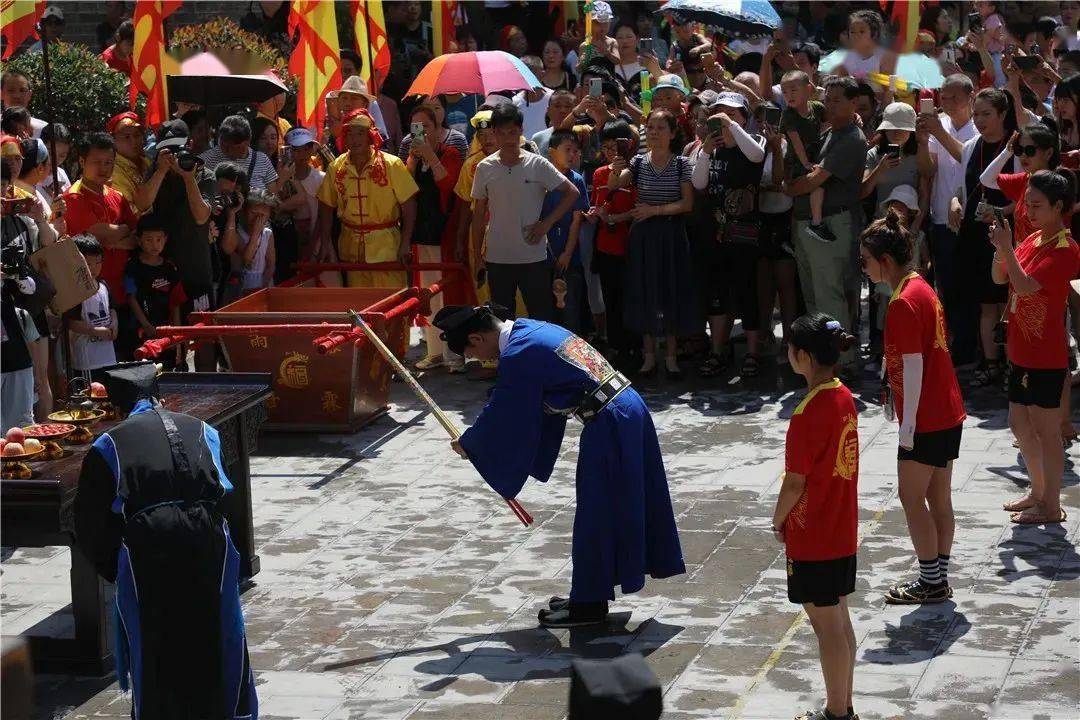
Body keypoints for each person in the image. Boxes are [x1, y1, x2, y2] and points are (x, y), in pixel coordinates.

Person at [436, 303, 685, 627]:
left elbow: (504, 410)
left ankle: (588, 607)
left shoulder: (518, 354)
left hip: (610, 422)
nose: (484, 361)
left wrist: (470, 443)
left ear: (476, 338)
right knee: (606, 508)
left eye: (474, 352)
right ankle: (589, 594)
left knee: (596, 513)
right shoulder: (531, 330)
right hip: (626, 409)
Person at [73, 362, 258, 719]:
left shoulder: (108, 443)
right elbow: (224, 491)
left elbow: (90, 520)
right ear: (159, 398)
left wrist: (117, 567)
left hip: (149, 544)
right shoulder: (204, 429)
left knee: (156, 639)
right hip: (208, 538)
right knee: (217, 628)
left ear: (115, 407)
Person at [860, 212, 965, 604]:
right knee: (939, 498)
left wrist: (908, 431)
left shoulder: (903, 302)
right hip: (947, 411)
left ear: (884, 261)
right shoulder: (920, 286)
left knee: (911, 497)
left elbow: (916, 366)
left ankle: (931, 581)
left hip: (926, 418)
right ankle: (939, 576)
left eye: (865, 262)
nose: (864, 269)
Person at [771, 312, 859, 720]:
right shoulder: (843, 396)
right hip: (840, 528)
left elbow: (794, 483)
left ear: (803, 356)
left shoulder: (806, 413)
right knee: (838, 620)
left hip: (816, 534)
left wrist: (777, 520)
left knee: (828, 629)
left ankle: (837, 712)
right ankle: (844, 705)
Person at [991, 171, 1080, 525]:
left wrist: (1008, 248)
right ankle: (1038, 491)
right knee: (1018, 421)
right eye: (1027, 203)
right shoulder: (1032, 240)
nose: (1028, 211)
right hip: (1019, 347)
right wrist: (1002, 249)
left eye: (1037, 205)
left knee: (1046, 429)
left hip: (1045, 352)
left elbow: (1026, 286)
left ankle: (1050, 504)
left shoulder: (1066, 248)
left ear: (1059, 207)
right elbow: (1000, 279)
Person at [784, 76, 869, 375]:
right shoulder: (829, 132)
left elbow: (816, 180)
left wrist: (792, 188)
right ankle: (822, 359)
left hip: (832, 223)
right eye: (827, 98)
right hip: (808, 223)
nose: (830, 104)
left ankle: (841, 361)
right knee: (813, 296)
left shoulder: (851, 137)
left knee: (830, 295)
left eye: (837, 99)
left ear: (853, 102)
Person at [470, 103, 580, 322]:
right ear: (494, 133)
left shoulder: (537, 163)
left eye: (512, 131)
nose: (507, 138)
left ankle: (541, 357)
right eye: (500, 132)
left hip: (533, 256)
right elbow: (478, 214)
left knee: (541, 318)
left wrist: (546, 224)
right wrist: (477, 258)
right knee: (502, 322)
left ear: (521, 130)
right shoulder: (484, 167)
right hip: (497, 257)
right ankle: (508, 358)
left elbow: (572, 192)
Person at [610, 108, 696, 379]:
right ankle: (649, 357)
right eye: (651, 127)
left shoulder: (682, 163)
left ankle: (670, 357)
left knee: (670, 289)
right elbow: (616, 186)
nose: (655, 133)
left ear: (672, 133)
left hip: (670, 233)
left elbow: (687, 204)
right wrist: (615, 170)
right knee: (644, 290)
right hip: (643, 235)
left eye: (661, 128)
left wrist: (654, 211)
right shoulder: (637, 162)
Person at [692, 94, 768, 378]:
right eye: (719, 114)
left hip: (744, 232)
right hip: (714, 233)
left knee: (747, 291)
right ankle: (717, 350)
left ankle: (752, 352)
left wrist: (732, 126)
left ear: (743, 118)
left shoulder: (753, 140)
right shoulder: (709, 148)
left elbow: (757, 156)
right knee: (718, 293)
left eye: (732, 113)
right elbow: (699, 183)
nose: (724, 118)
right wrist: (705, 151)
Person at [946, 88, 1017, 387]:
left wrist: (1000, 211)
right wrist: (955, 203)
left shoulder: (1015, 147)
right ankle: (990, 363)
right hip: (975, 234)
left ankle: (1012, 363)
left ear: (1002, 114)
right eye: (976, 114)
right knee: (985, 303)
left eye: (986, 114)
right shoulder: (971, 145)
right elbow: (962, 188)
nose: (979, 120)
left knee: (1008, 301)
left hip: (1007, 233)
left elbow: (1025, 196)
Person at [316, 109, 418, 288]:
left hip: (387, 250)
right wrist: (325, 243)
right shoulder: (336, 168)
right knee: (360, 305)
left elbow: (409, 205)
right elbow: (325, 206)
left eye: (360, 133)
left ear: (371, 136)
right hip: (351, 251)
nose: (355, 139)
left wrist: (405, 242)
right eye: (350, 133)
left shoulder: (391, 164)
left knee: (392, 304)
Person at [916, 75, 977, 361]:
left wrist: (938, 132)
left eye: (954, 97)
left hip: (970, 221)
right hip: (940, 217)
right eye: (944, 97)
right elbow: (928, 170)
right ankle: (954, 342)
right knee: (947, 286)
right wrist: (922, 141)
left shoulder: (979, 127)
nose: (947, 102)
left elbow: (967, 159)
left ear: (970, 97)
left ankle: (971, 345)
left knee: (969, 286)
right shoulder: (939, 124)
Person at [63, 132, 139, 358]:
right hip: (88, 299)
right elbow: (102, 236)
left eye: (109, 162)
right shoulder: (73, 198)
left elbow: (137, 236)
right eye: (97, 162)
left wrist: (115, 236)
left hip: (121, 292)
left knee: (127, 357)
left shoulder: (116, 195)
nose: (104, 168)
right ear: (82, 161)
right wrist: (118, 233)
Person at [405, 105, 466, 371]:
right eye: (415, 128)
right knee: (426, 291)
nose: (420, 132)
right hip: (422, 231)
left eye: (425, 127)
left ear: (436, 127)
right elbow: (406, 188)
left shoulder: (450, 151)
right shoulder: (412, 155)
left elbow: (449, 184)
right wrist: (414, 160)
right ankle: (434, 352)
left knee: (449, 291)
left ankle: (455, 354)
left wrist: (431, 156)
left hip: (445, 231)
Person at [590, 120, 638, 369]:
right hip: (607, 245)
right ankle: (618, 347)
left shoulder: (639, 169)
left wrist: (620, 217)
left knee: (634, 298)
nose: (610, 152)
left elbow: (637, 207)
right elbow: (601, 201)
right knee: (612, 299)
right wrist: (601, 214)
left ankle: (637, 347)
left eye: (615, 146)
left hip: (631, 243)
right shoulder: (600, 172)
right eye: (606, 147)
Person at [543, 130, 591, 333]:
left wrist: (568, 253)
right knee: (547, 309)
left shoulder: (576, 179)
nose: (572, 155)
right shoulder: (541, 178)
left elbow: (576, 220)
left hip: (569, 253)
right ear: (552, 152)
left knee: (571, 307)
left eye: (575, 151)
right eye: (567, 150)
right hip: (543, 253)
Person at [124, 214, 186, 369]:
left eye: (159, 239)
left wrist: (176, 336)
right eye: (149, 239)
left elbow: (176, 302)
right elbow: (131, 298)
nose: (155, 245)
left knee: (168, 370)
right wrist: (146, 326)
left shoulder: (170, 268)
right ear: (139, 240)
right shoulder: (133, 267)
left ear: (165, 239)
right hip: (141, 332)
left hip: (166, 331)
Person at [779, 70, 829, 243]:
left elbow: (830, 122)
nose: (788, 95)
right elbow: (796, 142)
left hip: (815, 157)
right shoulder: (788, 115)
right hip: (797, 163)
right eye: (784, 92)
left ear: (808, 89)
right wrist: (807, 164)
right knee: (817, 184)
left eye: (793, 90)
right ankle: (816, 223)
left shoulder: (817, 107)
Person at [65, 235, 118, 378]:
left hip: (108, 357)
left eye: (98, 262)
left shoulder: (103, 285)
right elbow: (71, 323)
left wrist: (114, 323)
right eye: (88, 264)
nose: (93, 268)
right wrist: (95, 330)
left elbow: (112, 308)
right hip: (87, 361)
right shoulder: (75, 291)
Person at [277, 127, 325, 265]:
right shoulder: (279, 179)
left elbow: (323, 215)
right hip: (288, 244)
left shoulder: (321, 179)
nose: (302, 154)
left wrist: (314, 244)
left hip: (317, 245)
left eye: (306, 148)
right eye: (296, 150)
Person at [220, 188, 277, 303]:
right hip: (242, 287)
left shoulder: (267, 234)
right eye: (253, 213)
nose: (257, 219)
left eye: (262, 216)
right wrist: (255, 234)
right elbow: (246, 260)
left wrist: (263, 287)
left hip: (262, 285)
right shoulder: (239, 234)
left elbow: (271, 265)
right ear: (245, 211)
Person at [199, 115, 279, 193]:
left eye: (233, 146)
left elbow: (272, 196)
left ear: (247, 141)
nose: (227, 150)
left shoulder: (262, 160)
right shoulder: (204, 160)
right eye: (223, 145)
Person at [106, 112, 148, 209]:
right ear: (114, 141)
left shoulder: (146, 162)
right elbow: (128, 210)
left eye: (137, 135)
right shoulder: (112, 170)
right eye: (126, 137)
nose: (133, 141)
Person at [531, 89, 577, 158]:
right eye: (557, 106)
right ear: (548, 111)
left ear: (576, 110)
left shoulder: (583, 134)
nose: (563, 110)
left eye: (567, 106)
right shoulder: (538, 138)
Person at [0, 70, 45, 137]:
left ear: (29, 95)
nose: (17, 95)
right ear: (1, 94)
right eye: (11, 91)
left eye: (22, 90)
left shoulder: (43, 129)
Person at [37, 122, 73, 202]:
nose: (55, 160)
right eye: (50, 153)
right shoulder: (29, 175)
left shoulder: (62, 174)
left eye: (62, 155)